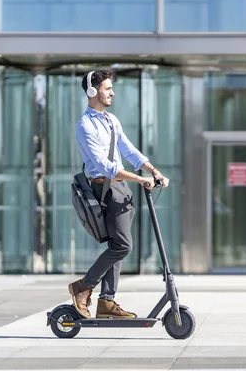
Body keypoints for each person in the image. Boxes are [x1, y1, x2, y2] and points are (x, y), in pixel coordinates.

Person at [68, 69, 169, 319]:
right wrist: (139, 179)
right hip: (104, 187)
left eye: (111, 88)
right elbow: (106, 167)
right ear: (92, 91)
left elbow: (128, 149)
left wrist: (153, 171)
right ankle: (83, 287)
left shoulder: (111, 120)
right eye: (107, 88)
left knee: (117, 244)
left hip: (120, 189)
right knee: (123, 246)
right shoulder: (85, 125)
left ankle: (106, 303)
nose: (112, 92)